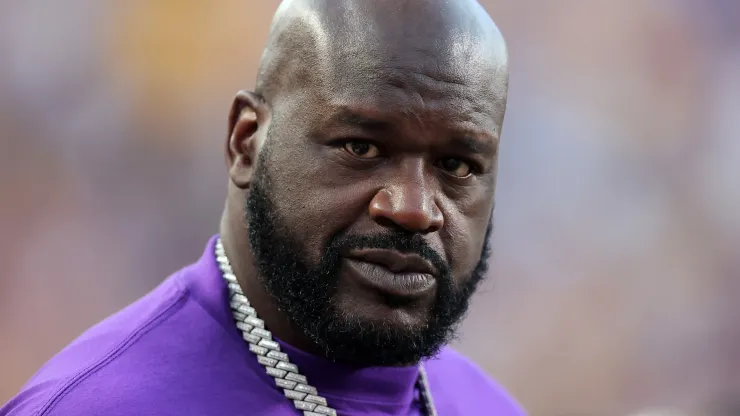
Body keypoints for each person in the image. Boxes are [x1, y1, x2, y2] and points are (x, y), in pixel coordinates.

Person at [1, 0, 523, 414]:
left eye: (457, 165)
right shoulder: (91, 406)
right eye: (361, 148)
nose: (412, 209)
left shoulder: (487, 406)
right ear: (246, 142)